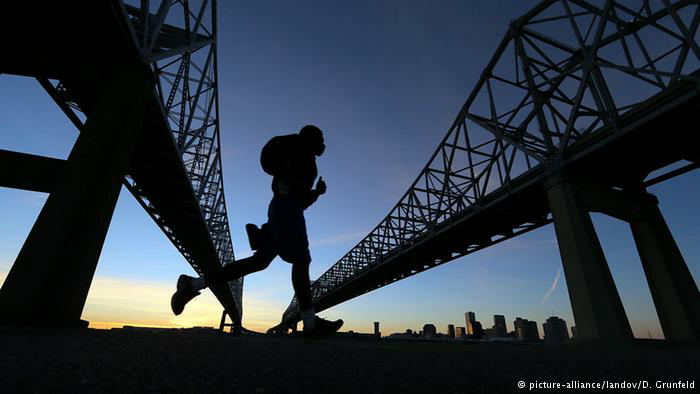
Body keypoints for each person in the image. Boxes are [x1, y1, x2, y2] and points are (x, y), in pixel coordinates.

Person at [170, 125, 343, 338]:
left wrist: (317, 192)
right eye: (321, 139)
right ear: (310, 139)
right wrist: (289, 177)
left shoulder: (307, 163)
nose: (323, 144)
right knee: (301, 260)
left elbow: (302, 200)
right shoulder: (297, 152)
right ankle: (310, 325)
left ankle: (192, 284)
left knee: (259, 262)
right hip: (286, 211)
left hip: (284, 211)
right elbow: (281, 176)